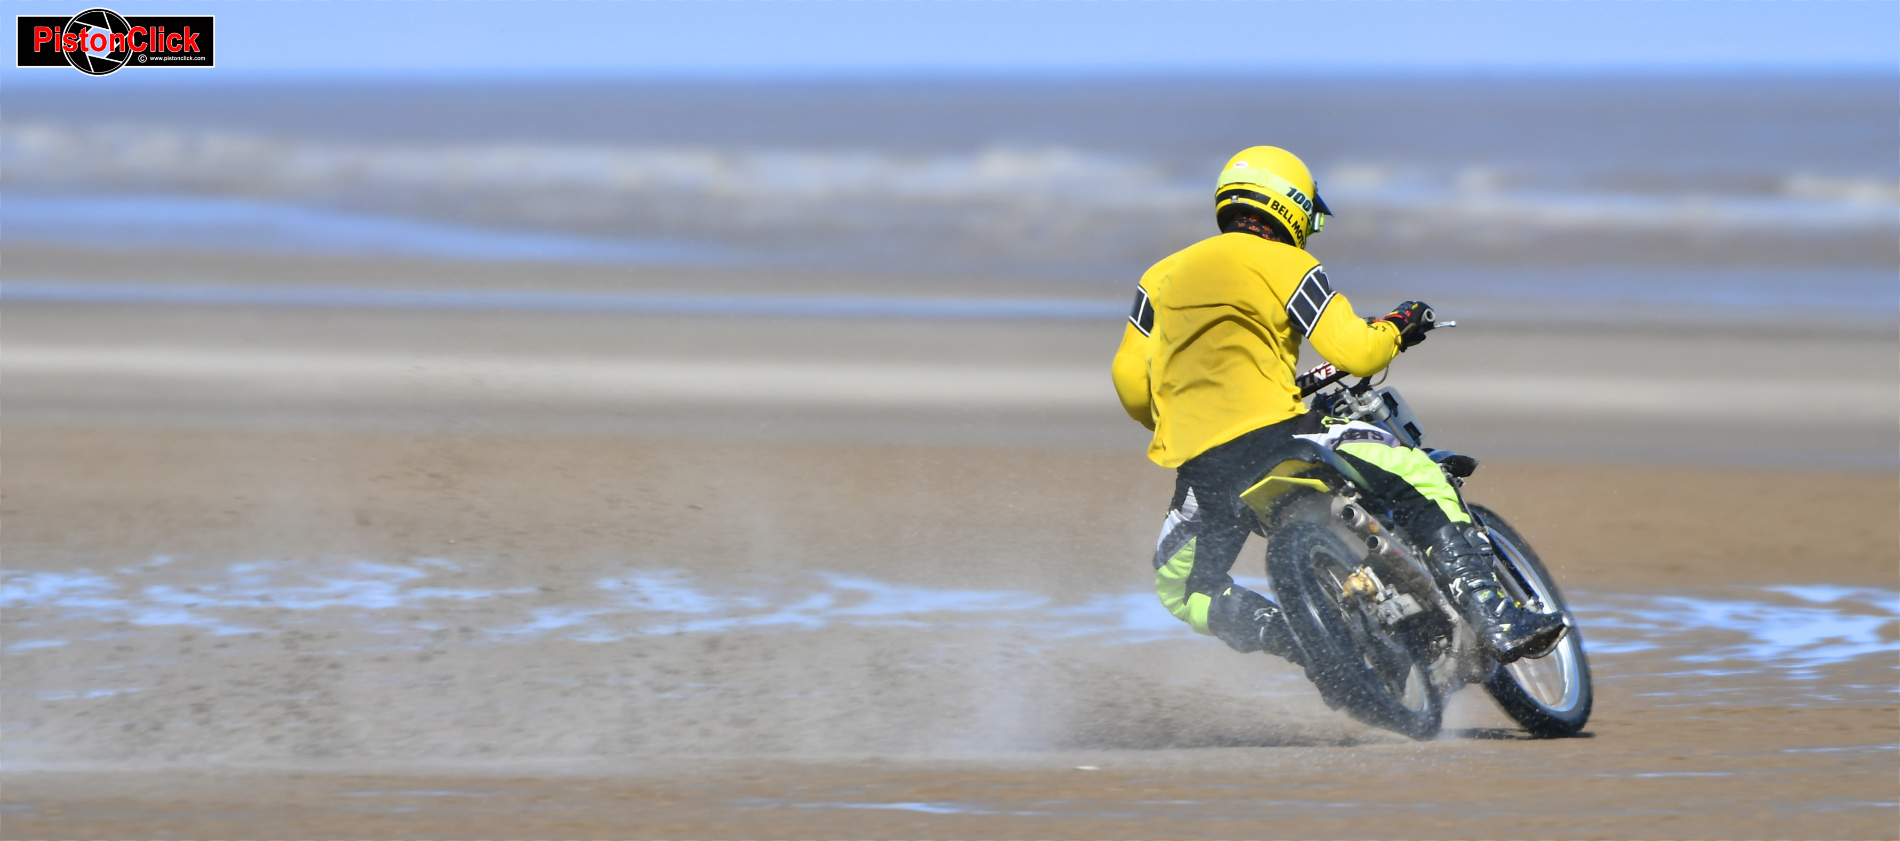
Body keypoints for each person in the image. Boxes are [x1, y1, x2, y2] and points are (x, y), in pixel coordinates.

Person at [1110, 146, 1566, 666]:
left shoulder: (1159, 277)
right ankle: (1496, 616)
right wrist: (1398, 324)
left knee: (1183, 588)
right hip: (1278, 435)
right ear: (1292, 205)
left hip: (1203, 465)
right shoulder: (1288, 262)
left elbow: (1129, 383)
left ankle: (1295, 638)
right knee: (1417, 475)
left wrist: (1186, 421)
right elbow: (1356, 350)